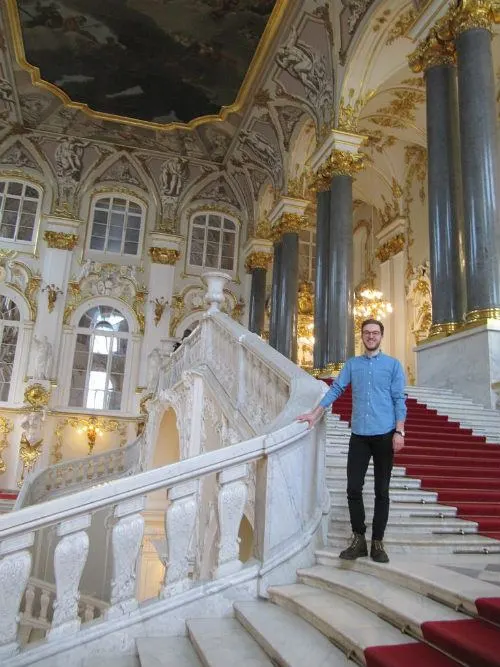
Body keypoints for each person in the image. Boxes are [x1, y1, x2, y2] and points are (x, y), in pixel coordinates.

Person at [297, 318, 406, 563]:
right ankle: (359, 539)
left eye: (375, 333)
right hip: (359, 434)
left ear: (381, 336)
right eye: (367, 333)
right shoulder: (352, 365)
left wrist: (400, 431)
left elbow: (399, 399)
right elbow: (336, 389)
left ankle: (378, 542)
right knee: (353, 488)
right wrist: (315, 413)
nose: (371, 336)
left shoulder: (393, 365)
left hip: (384, 434)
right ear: (362, 336)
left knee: (382, 490)